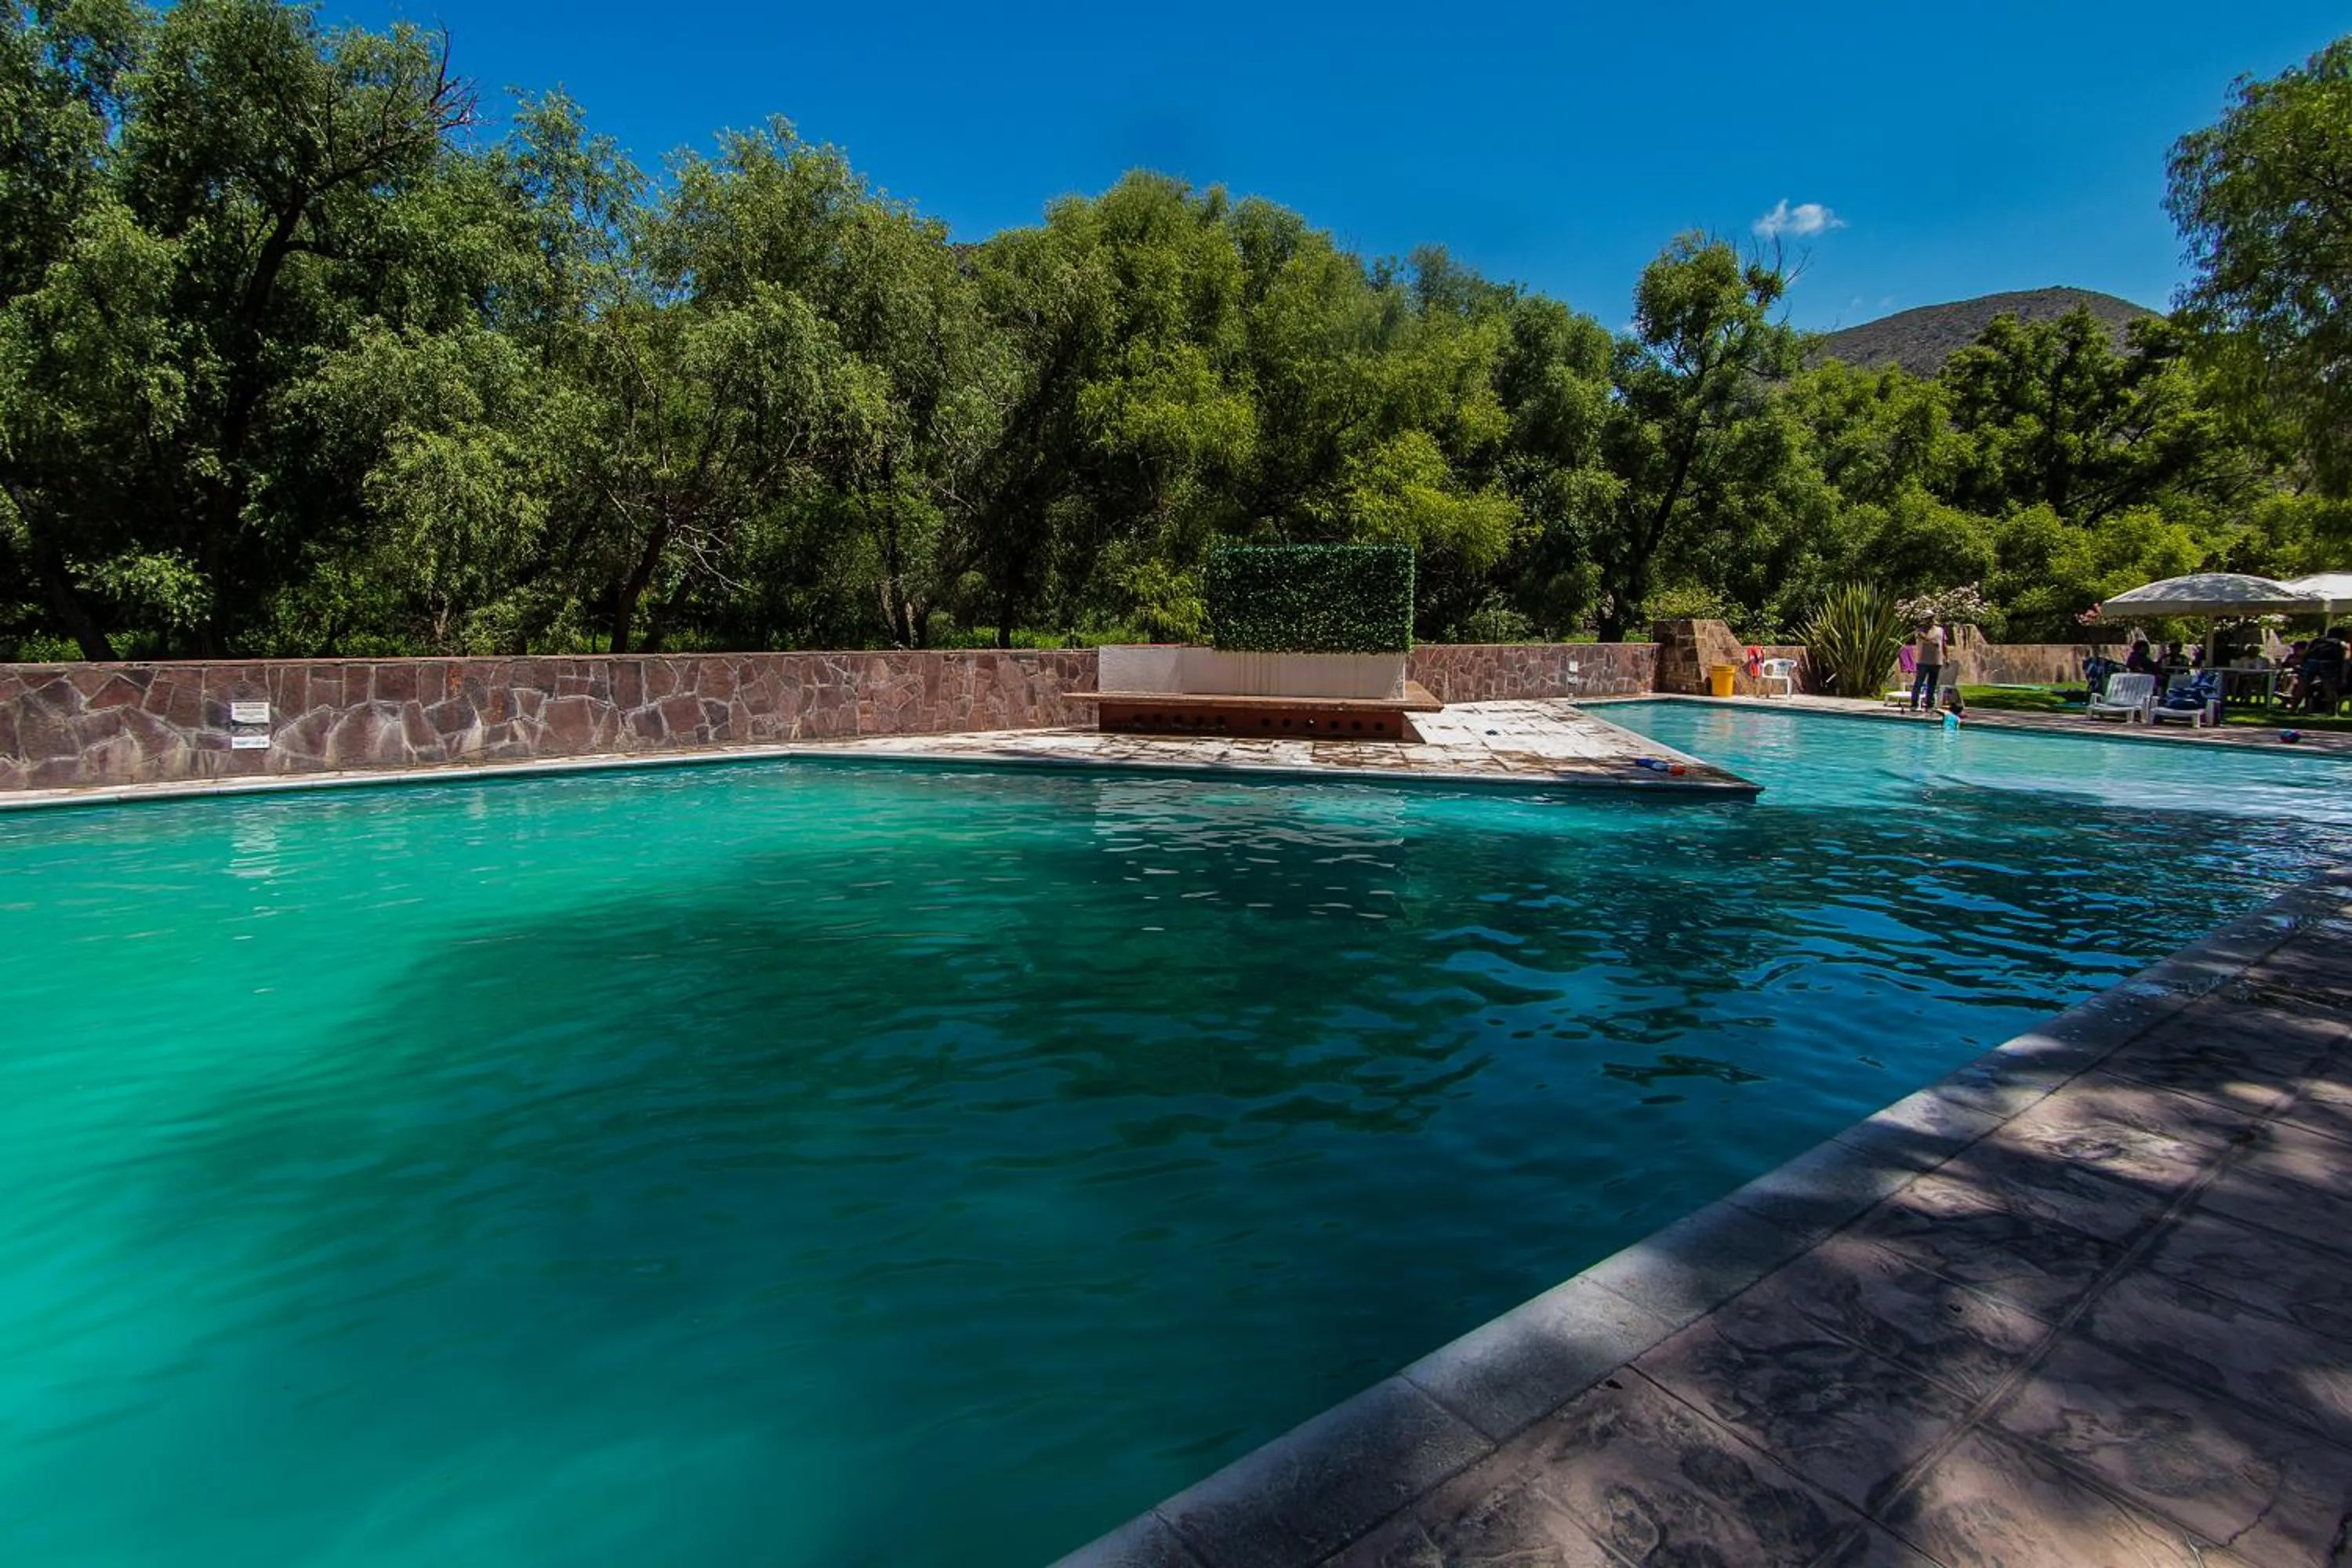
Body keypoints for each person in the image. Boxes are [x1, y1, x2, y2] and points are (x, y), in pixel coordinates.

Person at [1910, 619, 1947, 713]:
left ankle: (1929, 705)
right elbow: (1922, 637)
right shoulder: (1920, 630)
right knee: (1919, 683)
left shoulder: (1940, 630)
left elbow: (1943, 644)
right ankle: (1914, 704)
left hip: (1936, 661)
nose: (1929, 621)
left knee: (1932, 684)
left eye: (1930, 619)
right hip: (1923, 661)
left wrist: (1947, 657)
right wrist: (1932, 642)